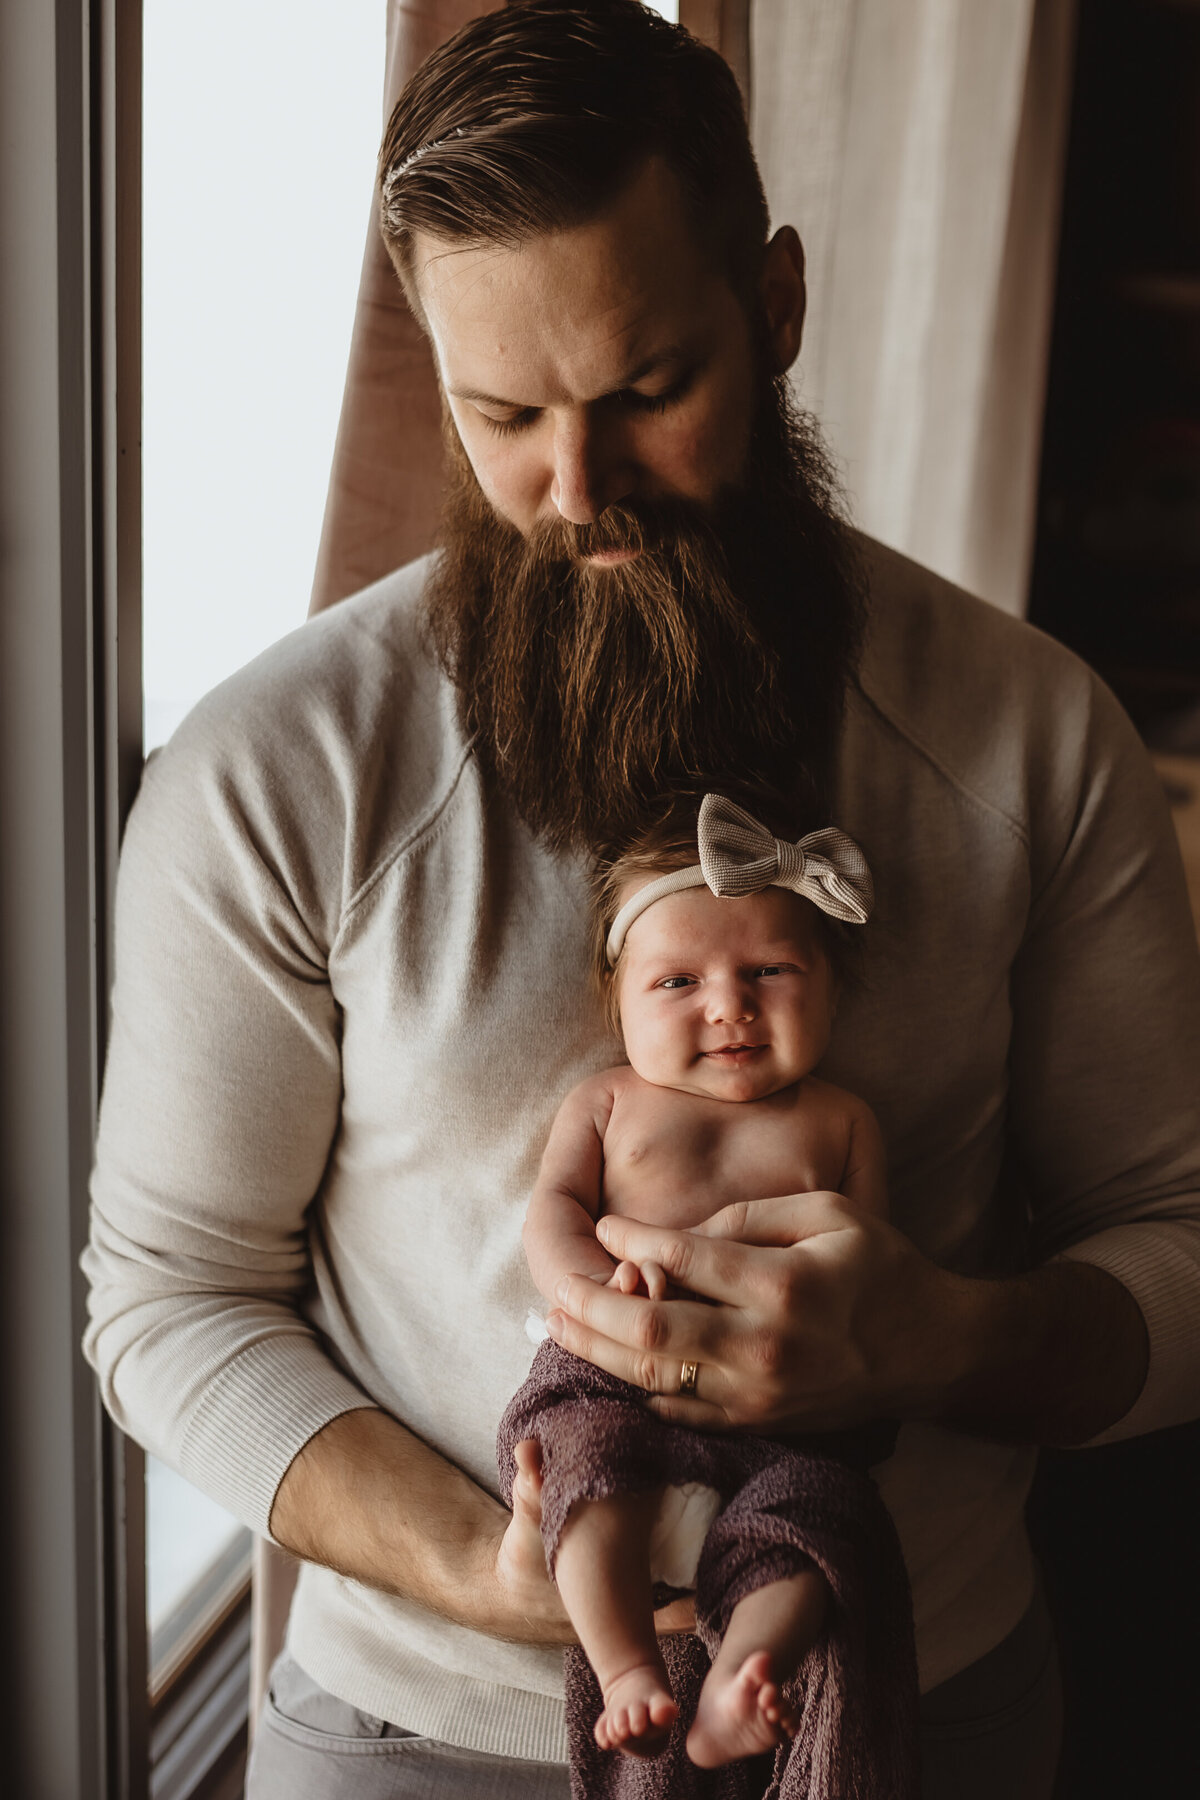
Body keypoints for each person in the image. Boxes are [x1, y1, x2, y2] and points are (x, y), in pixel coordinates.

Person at [81, 4, 1200, 1798]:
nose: (574, 493)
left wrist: (949, 1335)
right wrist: (490, 1573)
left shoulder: (1032, 733)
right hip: (414, 1734)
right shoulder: (277, 771)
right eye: (500, 414)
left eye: (644, 394)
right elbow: (169, 1305)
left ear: (774, 310)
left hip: (921, 1707)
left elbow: (1178, 1230)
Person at [508, 792, 887, 1770]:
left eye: (769, 970)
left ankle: (743, 1676)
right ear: (616, 999)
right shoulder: (606, 1102)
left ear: (833, 992)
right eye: (679, 980)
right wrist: (595, 1289)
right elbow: (551, 1211)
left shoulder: (842, 1121)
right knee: (582, 1468)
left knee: (820, 1518)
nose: (729, 1004)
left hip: (790, 1406)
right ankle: (626, 1662)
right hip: (615, 1365)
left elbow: (873, 1267)